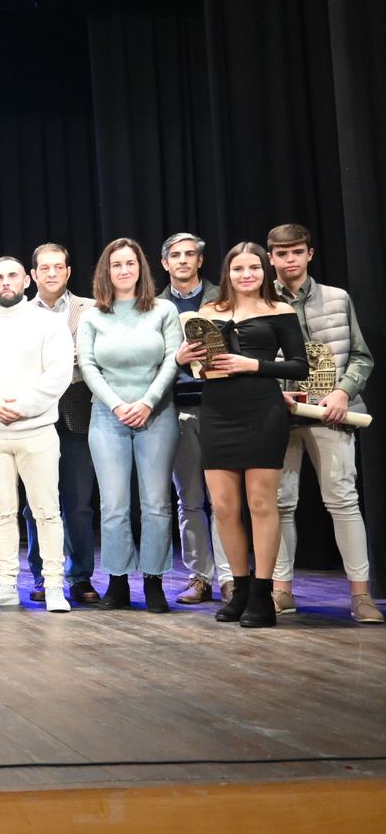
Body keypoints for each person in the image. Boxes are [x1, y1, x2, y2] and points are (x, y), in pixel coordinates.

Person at [178, 243, 306, 628]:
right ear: (227, 273)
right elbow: (198, 366)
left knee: (262, 504)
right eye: (238, 268)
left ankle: (264, 595)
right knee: (224, 507)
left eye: (253, 267)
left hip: (263, 411)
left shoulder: (280, 311)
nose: (246, 274)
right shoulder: (207, 313)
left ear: (265, 270)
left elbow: (300, 365)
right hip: (217, 411)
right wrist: (180, 359)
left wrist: (254, 364)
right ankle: (241, 588)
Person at [266, 224, 379, 623]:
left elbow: (362, 357)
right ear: (271, 259)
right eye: (281, 254)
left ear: (309, 254)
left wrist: (343, 391)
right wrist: (272, 394)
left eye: (296, 251)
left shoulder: (337, 298)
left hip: (330, 411)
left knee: (343, 500)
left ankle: (360, 594)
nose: (289, 260)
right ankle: (281, 590)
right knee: (279, 502)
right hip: (279, 414)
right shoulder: (260, 301)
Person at [0, 256, 75, 613]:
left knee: (46, 511)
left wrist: (20, 407)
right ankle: (6, 584)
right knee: (1, 513)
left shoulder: (49, 324)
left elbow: (58, 375)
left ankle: (54, 585)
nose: (5, 282)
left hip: (36, 430)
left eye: (12, 276)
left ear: (26, 281)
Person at [77, 238, 183, 613]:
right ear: (106, 271)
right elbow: (88, 366)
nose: (124, 270)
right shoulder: (92, 314)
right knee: (114, 504)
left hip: (157, 413)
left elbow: (173, 360)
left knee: (156, 503)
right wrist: (119, 404)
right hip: (108, 415)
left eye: (130, 264)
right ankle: (118, 582)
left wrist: (147, 402)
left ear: (142, 269)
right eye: (116, 265)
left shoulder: (164, 310)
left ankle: (154, 582)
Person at [159, 233, 233, 604]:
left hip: (221, 406)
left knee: (224, 499)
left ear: (201, 261)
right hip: (174, 407)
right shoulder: (154, 307)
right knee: (188, 498)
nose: (184, 260)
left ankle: (230, 575)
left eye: (191, 254)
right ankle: (199, 576)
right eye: (176, 255)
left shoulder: (224, 299)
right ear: (165, 264)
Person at [24, 243, 98, 605]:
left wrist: (79, 358)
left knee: (79, 502)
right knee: (37, 503)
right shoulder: (19, 314)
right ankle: (41, 575)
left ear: (68, 272)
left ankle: (80, 576)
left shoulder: (91, 309)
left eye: (58, 267)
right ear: (33, 274)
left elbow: (100, 356)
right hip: (35, 417)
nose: (52, 273)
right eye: (44, 268)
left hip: (78, 412)